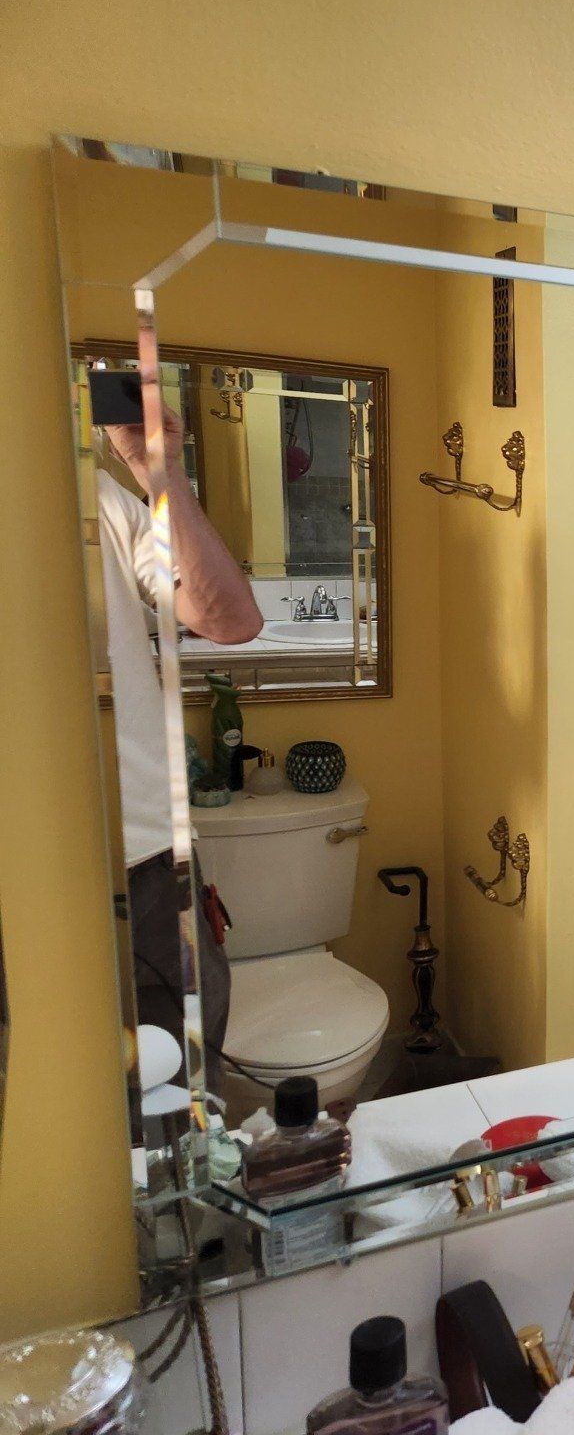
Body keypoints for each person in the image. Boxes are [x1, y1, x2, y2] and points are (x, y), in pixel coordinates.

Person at [96, 401, 262, 1098]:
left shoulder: (96, 497)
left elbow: (230, 619)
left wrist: (153, 467)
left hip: (147, 858)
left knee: (183, 1093)